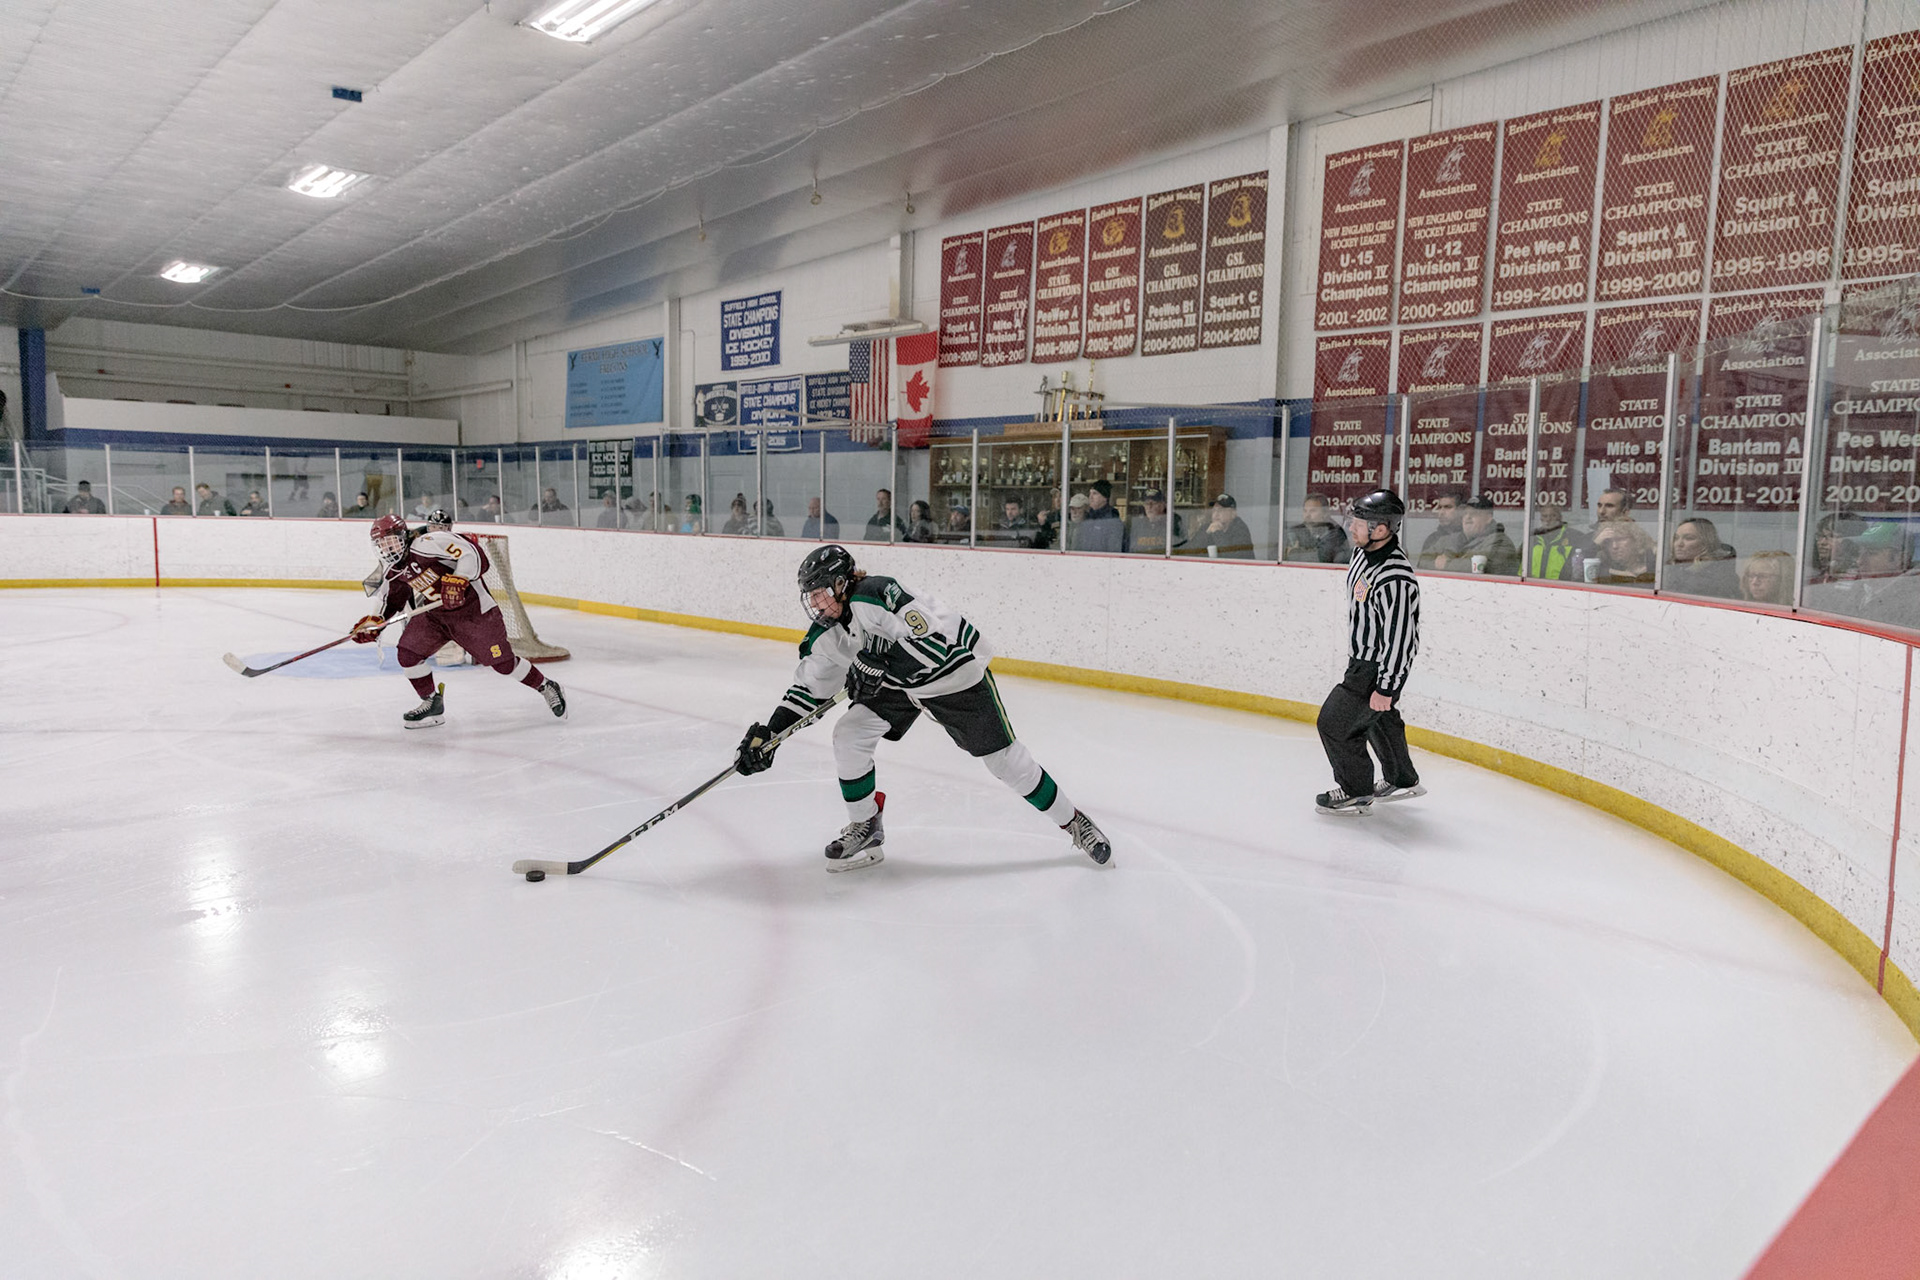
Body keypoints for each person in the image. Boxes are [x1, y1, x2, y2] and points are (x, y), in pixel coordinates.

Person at [733, 544, 1111, 870]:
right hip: (899, 686)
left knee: (1006, 762)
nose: (815, 603)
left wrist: (879, 662)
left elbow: (933, 644)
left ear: (841, 583)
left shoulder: (877, 593)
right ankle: (866, 825)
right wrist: (771, 734)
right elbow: (809, 689)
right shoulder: (827, 634)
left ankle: (1075, 822)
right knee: (849, 733)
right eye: (810, 596)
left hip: (954, 675)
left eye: (820, 593)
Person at [349, 514, 567, 729]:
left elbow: (472, 552)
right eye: (382, 544)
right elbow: (392, 598)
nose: (388, 549)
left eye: (391, 542)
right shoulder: (393, 569)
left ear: (403, 536)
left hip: (474, 613)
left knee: (503, 664)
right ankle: (432, 703)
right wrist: (376, 622)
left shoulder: (427, 543)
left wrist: (459, 577)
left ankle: (546, 686)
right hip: (436, 616)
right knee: (408, 654)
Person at [1315, 489, 1423, 814]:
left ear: (1381, 529)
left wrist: (1386, 686)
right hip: (1362, 660)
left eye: (1359, 523)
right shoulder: (1362, 554)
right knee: (1378, 718)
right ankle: (1401, 778)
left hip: (1377, 667)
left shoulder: (1395, 578)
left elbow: (1401, 639)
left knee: (1334, 724)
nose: (1351, 527)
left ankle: (1356, 790)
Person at [1437, 496, 1518, 575]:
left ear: (1488, 518)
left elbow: (1480, 567)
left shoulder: (1500, 542)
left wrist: (1446, 563)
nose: (1468, 517)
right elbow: (1428, 559)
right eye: (1465, 513)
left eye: (1474, 513)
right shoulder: (1454, 538)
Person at [1666, 517, 1739, 598]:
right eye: (1676, 538)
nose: (1679, 544)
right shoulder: (1673, 569)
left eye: (1689, 538)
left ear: (1706, 542)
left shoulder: (1717, 576)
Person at [1527, 503, 1589, 581]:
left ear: (1560, 518)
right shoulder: (1533, 538)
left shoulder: (1573, 537)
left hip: (1561, 585)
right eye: (1545, 516)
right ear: (1541, 518)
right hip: (1532, 584)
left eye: (1553, 515)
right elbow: (1520, 563)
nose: (1548, 519)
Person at [1283, 494, 1348, 563]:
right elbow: (1281, 553)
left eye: (1312, 511)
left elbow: (1323, 557)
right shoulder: (1298, 530)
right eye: (1305, 511)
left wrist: (1294, 553)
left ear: (1325, 513)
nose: (1307, 515)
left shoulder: (1335, 532)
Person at [1589, 520, 1657, 584]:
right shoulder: (1602, 564)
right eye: (1608, 542)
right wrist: (1595, 544)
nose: (1614, 546)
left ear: (1636, 540)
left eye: (1620, 539)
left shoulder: (1653, 563)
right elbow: (1584, 569)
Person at [1189, 494, 1254, 559]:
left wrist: (1217, 532)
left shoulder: (1240, 529)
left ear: (1233, 513)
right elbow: (1189, 552)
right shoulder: (1207, 527)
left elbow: (1234, 557)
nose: (1216, 514)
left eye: (1221, 510)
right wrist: (1206, 534)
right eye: (1214, 510)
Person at [1415, 490, 1467, 569]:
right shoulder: (1433, 539)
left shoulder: (1469, 536)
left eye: (1447, 507)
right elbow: (1421, 565)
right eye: (1439, 507)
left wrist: (1448, 564)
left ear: (1460, 510)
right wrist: (1436, 564)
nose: (1441, 512)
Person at [1809, 512, 1865, 585]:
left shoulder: (1860, 576)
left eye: (1831, 536)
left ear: (1850, 541)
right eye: (1820, 536)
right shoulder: (1817, 574)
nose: (1822, 542)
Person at [1126, 489, 1184, 556]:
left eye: (1153, 503)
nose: (1149, 507)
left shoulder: (1172, 522)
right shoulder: (1138, 523)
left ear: (1162, 505)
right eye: (1147, 503)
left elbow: (1180, 548)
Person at [1076, 479, 1125, 553]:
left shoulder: (1112, 519)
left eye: (1095, 493)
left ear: (1105, 498)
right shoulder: (1087, 516)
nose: (1090, 497)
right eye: (1090, 493)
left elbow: (1114, 550)